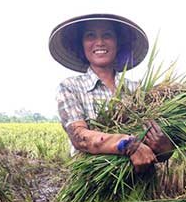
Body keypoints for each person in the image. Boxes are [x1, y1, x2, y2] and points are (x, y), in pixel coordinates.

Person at [48, 13, 173, 173]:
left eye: (107, 35)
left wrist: (165, 149)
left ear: (118, 43)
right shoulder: (70, 87)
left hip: (141, 186)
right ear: (81, 44)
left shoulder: (139, 91)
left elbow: (156, 148)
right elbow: (79, 138)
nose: (99, 42)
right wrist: (128, 144)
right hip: (92, 185)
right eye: (90, 35)